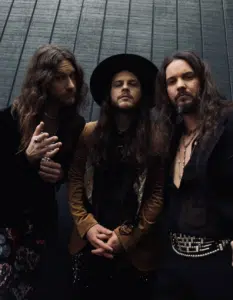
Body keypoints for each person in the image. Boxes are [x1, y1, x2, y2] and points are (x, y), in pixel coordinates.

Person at [68, 53, 165, 300]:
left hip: (136, 252)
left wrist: (126, 237)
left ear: (142, 92)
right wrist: (87, 226)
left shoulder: (156, 138)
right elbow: (76, 180)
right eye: (118, 84)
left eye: (132, 84)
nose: (125, 88)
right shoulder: (90, 133)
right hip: (89, 244)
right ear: (109, 93)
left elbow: (156, 194)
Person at [0, 44, 87, 300]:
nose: (71, 85)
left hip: (41, 225)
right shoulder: (9, 120)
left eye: (73, 76)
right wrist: (27, 158)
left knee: (34, 290)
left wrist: (60, 174)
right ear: (43, 81)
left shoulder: (74, 125)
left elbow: (71, 170)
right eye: (61, 78)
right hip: (6, 223)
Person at [154, 50, 233, 300]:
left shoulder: (228, 121)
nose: (180, 86)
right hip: (171, 262)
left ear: (202, 80)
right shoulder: (169, 136)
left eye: (188, 77)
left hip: (218, 261)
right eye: (172, 81)